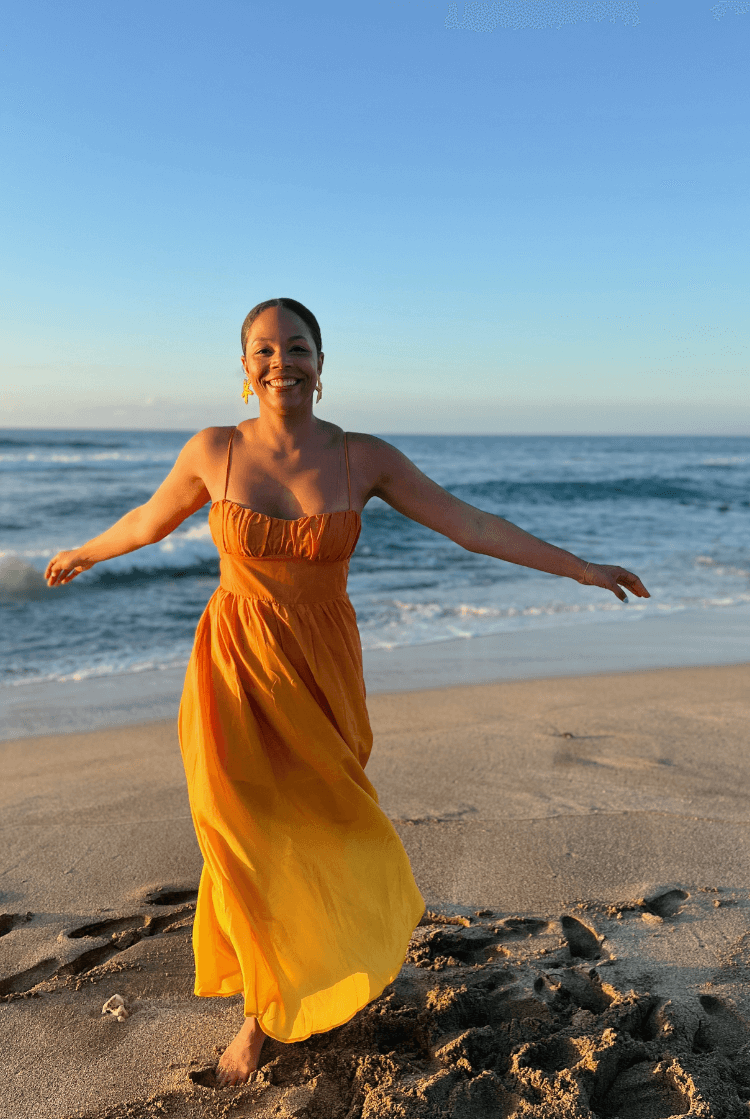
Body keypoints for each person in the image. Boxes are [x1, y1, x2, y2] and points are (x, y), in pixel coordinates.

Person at [46, 297, 650, 1086]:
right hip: (234, 663)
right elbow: (147, 521)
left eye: (296, 348)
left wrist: (582, 566)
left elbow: (469, 523)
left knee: (327, 820)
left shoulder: (363, 457)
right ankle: (260, 1017)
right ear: (243, 366)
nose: (280, 362)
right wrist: (85, 553)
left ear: (321, 366)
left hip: (322, 668)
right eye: (263, 349)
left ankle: (343, 950)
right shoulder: (213, 449)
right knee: (239, 829)